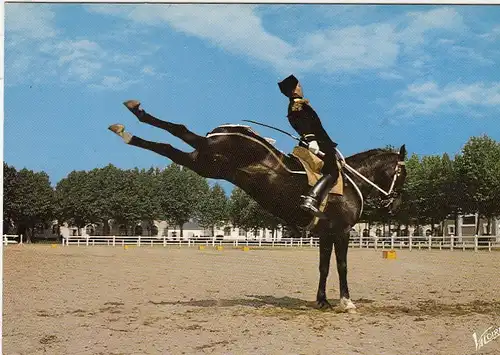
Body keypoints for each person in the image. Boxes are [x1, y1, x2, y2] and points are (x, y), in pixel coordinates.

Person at [278, 74, 340, 219]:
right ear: (294, 91)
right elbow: (302, 123)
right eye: (299, 85)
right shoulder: (297, 105)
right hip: (317, 143)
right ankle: (312, 198)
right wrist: (311, 139)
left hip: (320, 142)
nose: (301, 87)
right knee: (332, 171)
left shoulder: (298, 103)